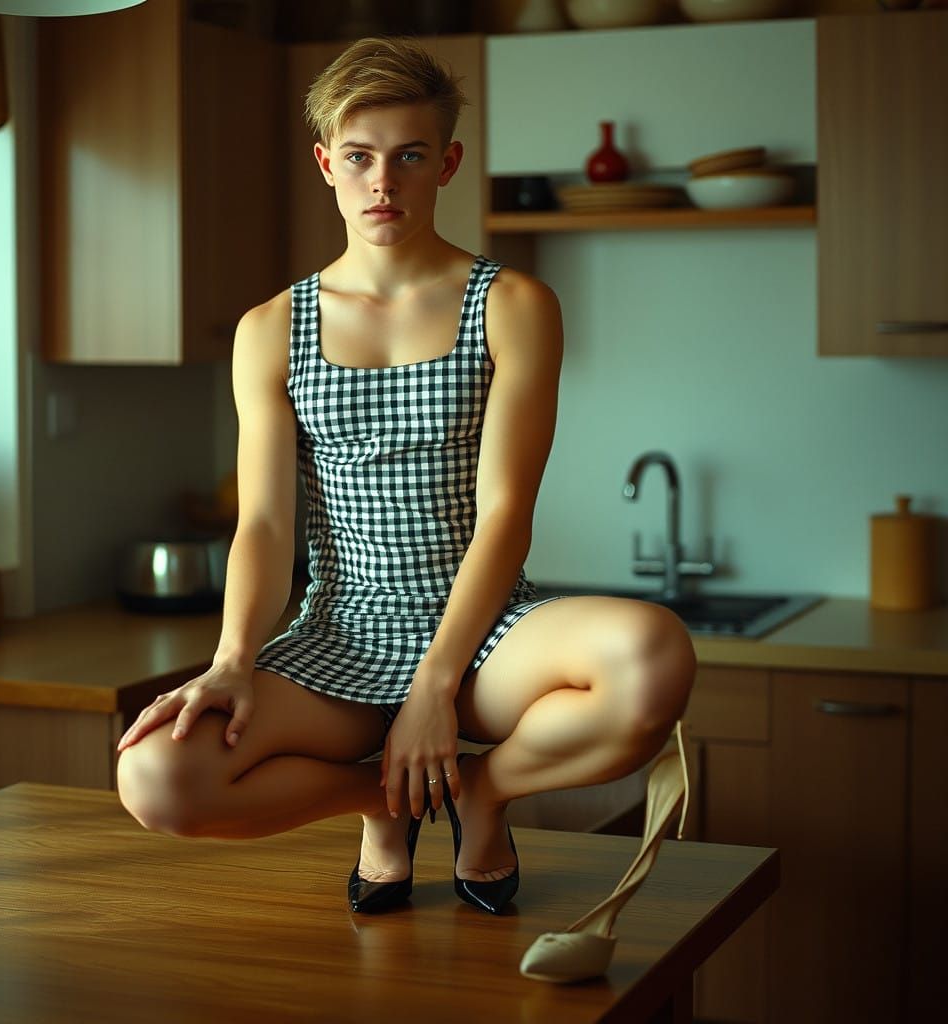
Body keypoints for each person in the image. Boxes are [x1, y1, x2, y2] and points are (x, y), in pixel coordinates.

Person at [115, 37, 696, 916]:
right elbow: (266, 526)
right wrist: (233, 659)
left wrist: (434, 686)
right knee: (154, 774)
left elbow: (505, 514)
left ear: (446, 163)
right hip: (339, 635)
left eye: (409, 156)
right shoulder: (269, 328)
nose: (382, 181)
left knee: (654, 658)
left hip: (487, 636)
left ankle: (482, 793)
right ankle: (384, 799)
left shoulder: (513, 305)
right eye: (359, 157)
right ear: (327, 165)